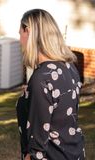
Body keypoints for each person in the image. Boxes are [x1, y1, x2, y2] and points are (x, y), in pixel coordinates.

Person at [16, 9, 85, 160]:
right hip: (74, 152)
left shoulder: (41, 78)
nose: (20, 40)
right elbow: (60, 108)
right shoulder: (69, 66)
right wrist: (32, 94)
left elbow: (38, 146)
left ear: (28, 31)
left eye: (20, 33)